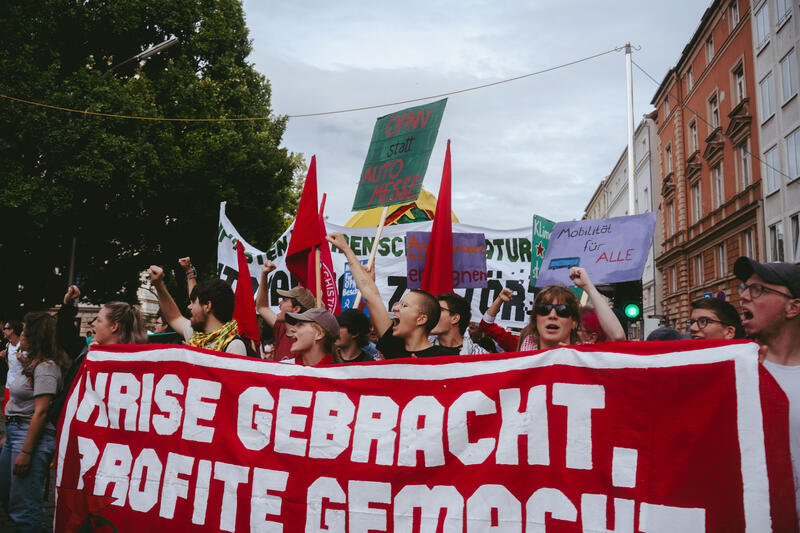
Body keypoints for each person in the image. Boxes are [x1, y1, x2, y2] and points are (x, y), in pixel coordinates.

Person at [733, 256, 800, 516]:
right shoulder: (734, 371)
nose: (744, 297)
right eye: (744, 288)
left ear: (792, 308)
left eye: (758, 289)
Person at [326, 232, 457, 358]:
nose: (394, 308)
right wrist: (346, 250)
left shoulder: (446, 359)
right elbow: (370, 295)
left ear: (421, 319)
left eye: (404, 306)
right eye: (398, 304)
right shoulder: (393, 347)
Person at [0, 311, 67, 532]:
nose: (21, 334)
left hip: (29, 438)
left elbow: (40, 412)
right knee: (9, 495)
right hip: (16, 433)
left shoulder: (46, 368)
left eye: (26, 330)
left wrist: (26, 451)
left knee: (24, 508)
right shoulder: (33, 363)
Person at [49, 286, 149, 432]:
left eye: (99, 320)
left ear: (114, 326)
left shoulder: (132, 365)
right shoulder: (87, 350)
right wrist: (68, 305)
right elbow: (66, 337)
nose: (92, 323)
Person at [480, 267, 625, 351]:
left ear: (574, 321)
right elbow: (486, 326)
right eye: (544, 308)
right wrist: (499, 300)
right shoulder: (524, 348)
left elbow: (618, 338)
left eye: (562, 310)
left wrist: (588, 287)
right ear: (536, 319)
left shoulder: (584, 354)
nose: (553, 314)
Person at [148, 265, 247, 355]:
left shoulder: (234, 345)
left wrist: (195, 357)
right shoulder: (196, 336)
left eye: (193, 302)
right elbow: (174, 317)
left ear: (207, 306)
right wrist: (159, 285)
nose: (189, 307)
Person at [255, 261, 315, 361]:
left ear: (296, 309)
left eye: (285, 300)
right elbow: (262, 307)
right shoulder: (281, 328)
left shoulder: (307, 342)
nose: (280, 303)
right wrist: (264, 274)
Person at [1, 321, 24, 416]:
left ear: (12, 330)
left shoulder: (23, 347)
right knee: (6, 411)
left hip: (21, 386)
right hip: (9, 385)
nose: (3, 331)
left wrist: (23, 359)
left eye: (6, 329)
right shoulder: (7, 346)